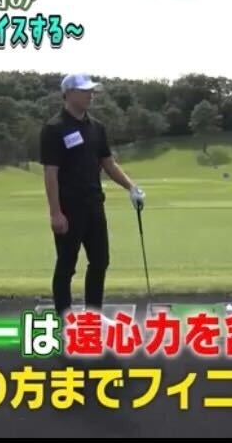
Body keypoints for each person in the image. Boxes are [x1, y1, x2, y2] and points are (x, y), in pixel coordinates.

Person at [39, 73, 146, 318]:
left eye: (92, 91)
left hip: (94, 205)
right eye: (85, 91)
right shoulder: (54, 128)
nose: (91, 95)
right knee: (66, 266)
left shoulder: (96, 127)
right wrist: (55, 213)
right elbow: (50, 173)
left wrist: (131, 187)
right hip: (68, 208)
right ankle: (65, 318)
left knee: (100, 262)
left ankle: (93, 316)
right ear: (69, 93)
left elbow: (108, 163)